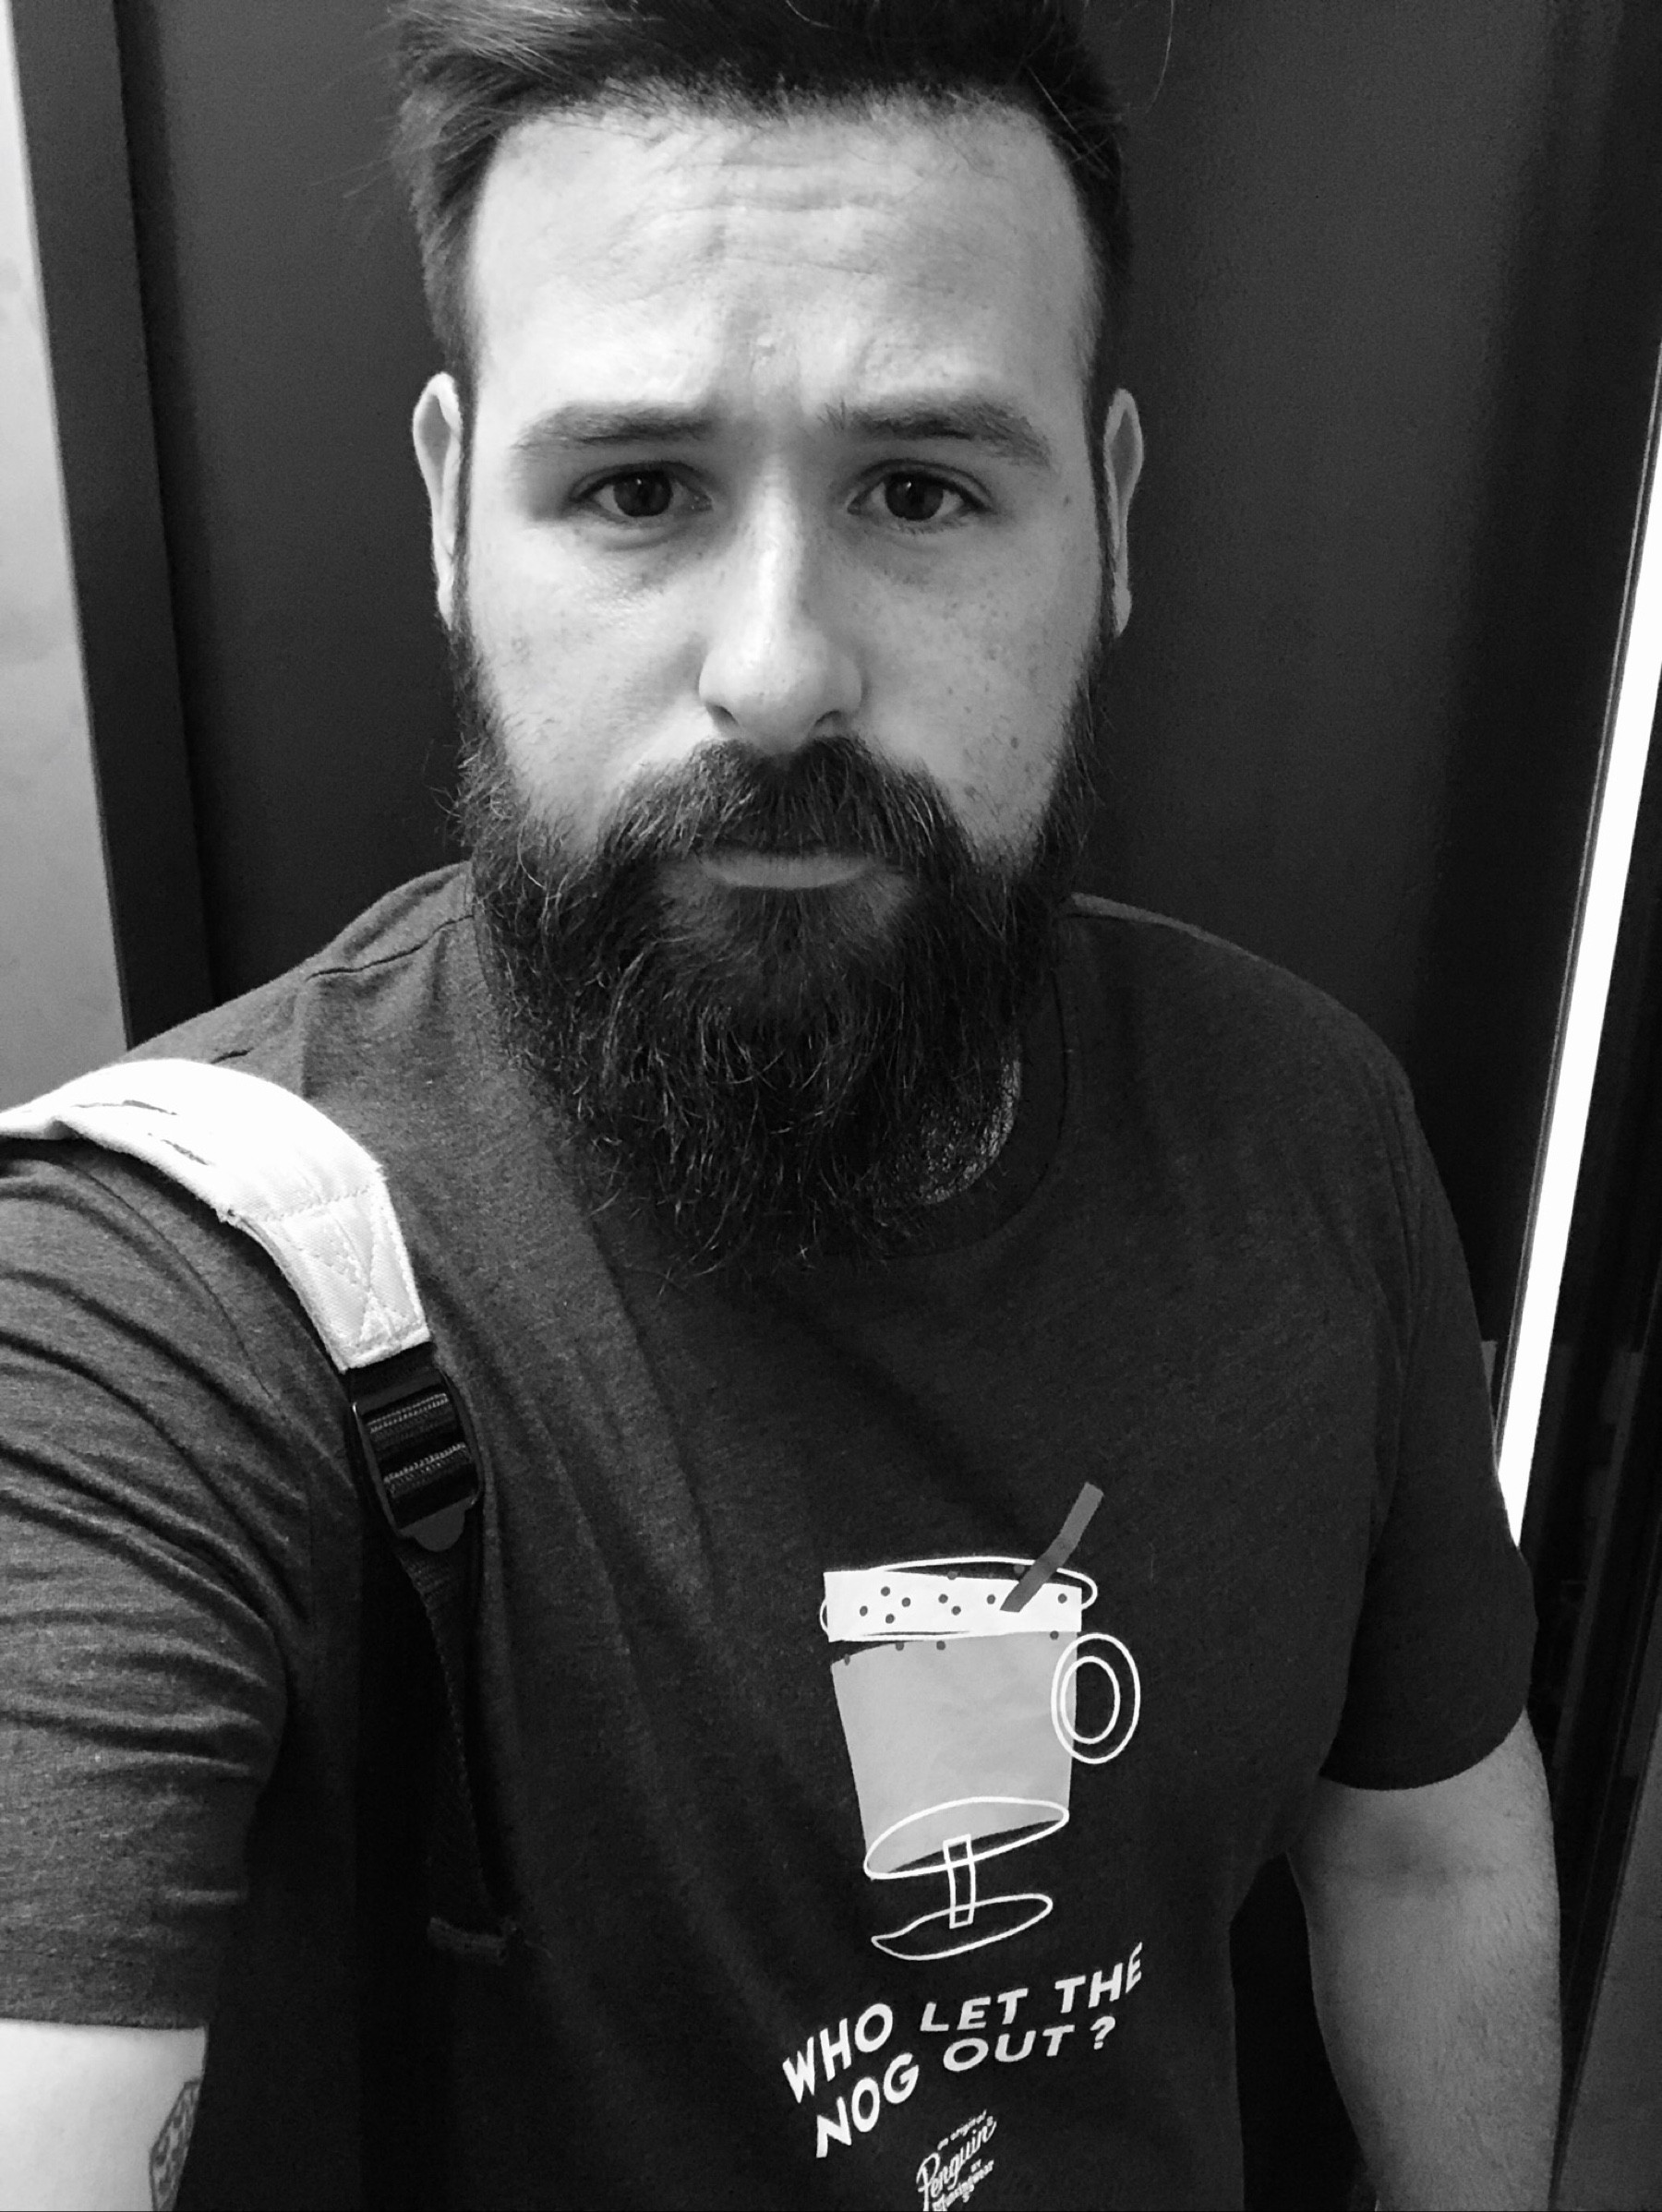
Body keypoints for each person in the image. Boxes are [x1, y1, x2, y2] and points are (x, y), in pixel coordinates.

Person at [0, 2, 1560, 2206]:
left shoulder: (1309, 1130)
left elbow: (1425, 1850)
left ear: (1109, 518)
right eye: (636, 489)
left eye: (920, 489)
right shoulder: (149, 1302)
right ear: (451, 513)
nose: (779, 669)